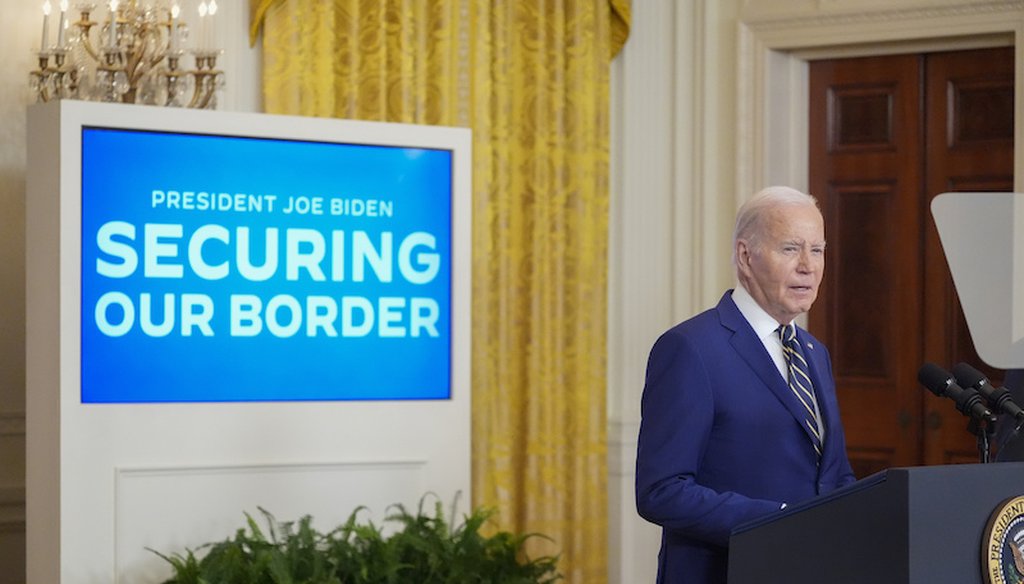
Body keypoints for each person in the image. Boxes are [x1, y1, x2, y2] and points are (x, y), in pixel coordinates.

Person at [635, 186, 857, 584]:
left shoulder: (813, 353)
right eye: (791, 249)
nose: (808, 265)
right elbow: (661, 490)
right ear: (745, 256)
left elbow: (835, 475)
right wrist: (781, 521)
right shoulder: (691, 349)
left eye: (818, 249)